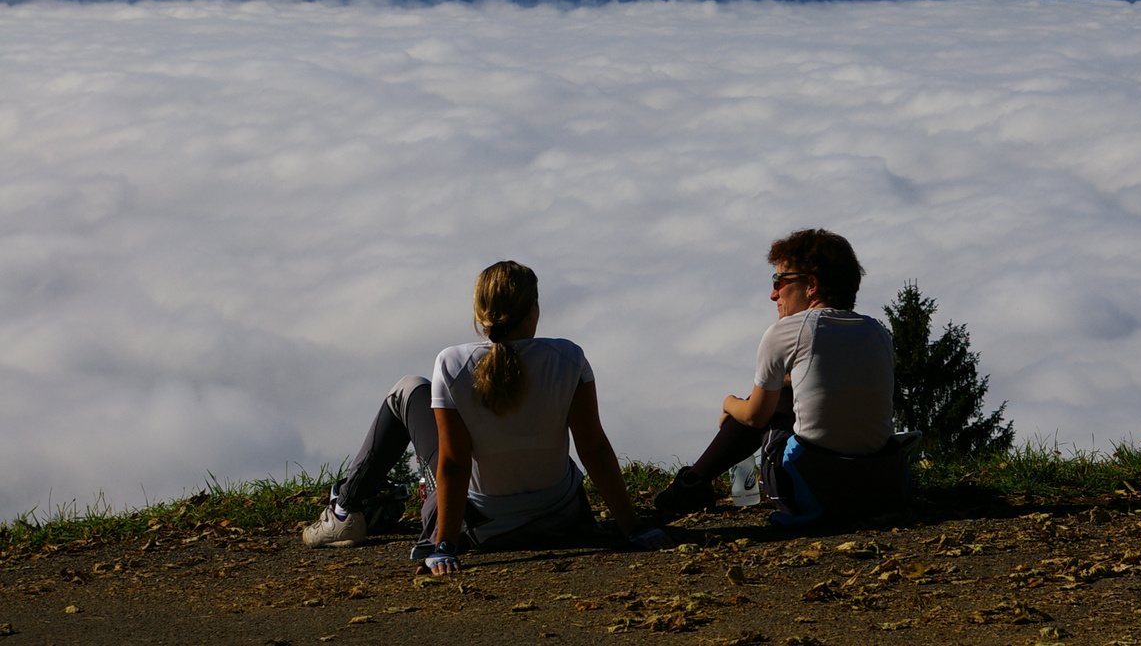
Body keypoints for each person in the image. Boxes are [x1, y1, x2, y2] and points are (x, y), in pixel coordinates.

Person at [304, 260, 666, 571]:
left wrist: (443, 544)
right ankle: (363, 507)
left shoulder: (453, 364)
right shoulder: (569, 359)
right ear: (533, 311)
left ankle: (344, 511)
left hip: (479, 528)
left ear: (480, 315)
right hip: (561, 518)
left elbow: (455, 464)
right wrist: (633, 528)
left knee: (407, 389)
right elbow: (594, 449)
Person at [654, 228, 907, 525]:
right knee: (783, 392)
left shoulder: (788, 331)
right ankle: (691, 484)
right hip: (885, 488)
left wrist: (729, 402)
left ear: (811, 285)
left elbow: (754, 417)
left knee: (768, 400)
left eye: (780, 281)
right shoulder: (877, 332)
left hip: (810, 491)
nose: (774, 293)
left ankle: (691, 484)